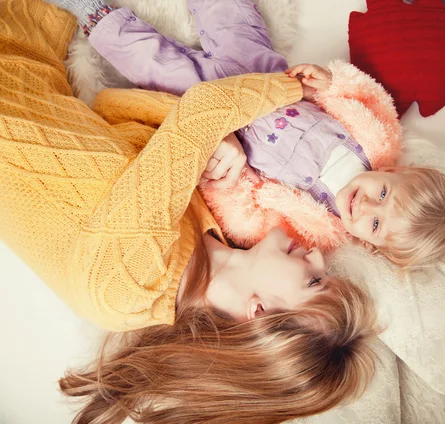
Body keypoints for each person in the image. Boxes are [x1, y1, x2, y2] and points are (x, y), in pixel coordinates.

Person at [0, 0, 379, 422]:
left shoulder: (129, 284)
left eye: (314, 280)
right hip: (30, 50)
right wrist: (217, 142)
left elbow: (201, 110)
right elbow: (112, 111)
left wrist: (289, 90)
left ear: (259, 314)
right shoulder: (209, 229)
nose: (318, 255)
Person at [50, 0, 445, 269]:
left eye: (376, 223)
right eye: (383, 193)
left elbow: (251, 221)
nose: (365, 206)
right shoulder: (377, 140)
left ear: (371, 245)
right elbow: (363, 93)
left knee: (151, 64)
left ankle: (93, 14)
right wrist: (328, 80)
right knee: (230, 12)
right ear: (398, 170)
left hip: (219, 111)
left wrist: (230, 181)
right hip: (262, 70)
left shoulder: (315, 229)